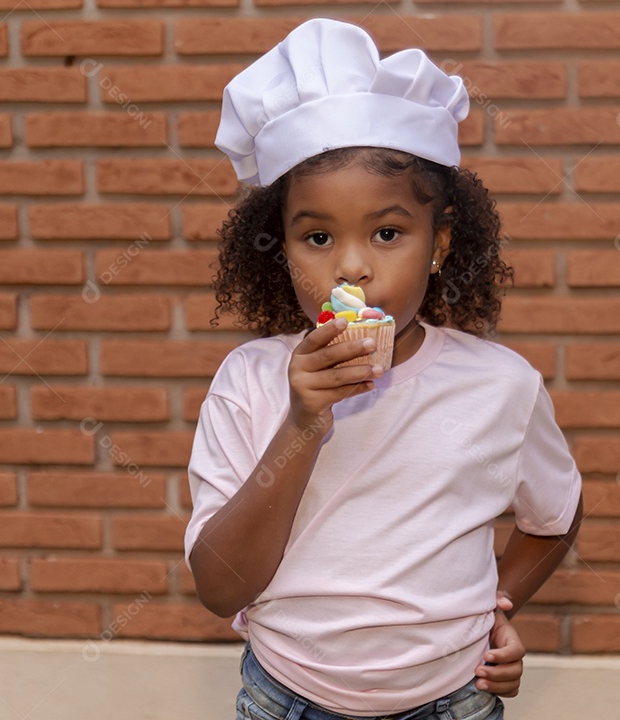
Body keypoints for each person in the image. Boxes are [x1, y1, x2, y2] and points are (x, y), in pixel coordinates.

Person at [185, 17, 584, 720]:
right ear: (280, 250)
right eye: (316, 236)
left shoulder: (501, 386)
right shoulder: (248, 381)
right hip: (286, 698)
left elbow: (554, 516)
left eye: (388, 233)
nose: (352, 266)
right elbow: (220, 588)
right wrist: (304, 422)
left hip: (452, 701)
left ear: (440, 243)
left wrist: (496, 610)